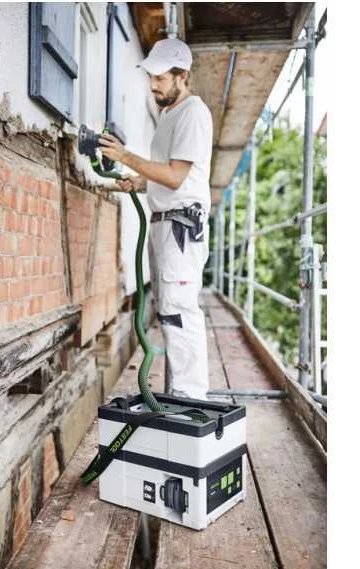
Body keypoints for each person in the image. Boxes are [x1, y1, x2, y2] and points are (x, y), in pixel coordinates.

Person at [99, 38, 213, 400]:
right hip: (164, 223)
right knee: (167, 313)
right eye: (151, 77)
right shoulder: (168, 116)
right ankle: (177, 395)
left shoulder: (193, 113)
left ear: (182, 76)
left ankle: (191, 401)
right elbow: (166, 173)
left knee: (179, 312)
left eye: (161, 78)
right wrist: (138, 182)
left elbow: (177, 177)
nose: (153, 85)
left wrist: (126, 156)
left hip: (181, 226)